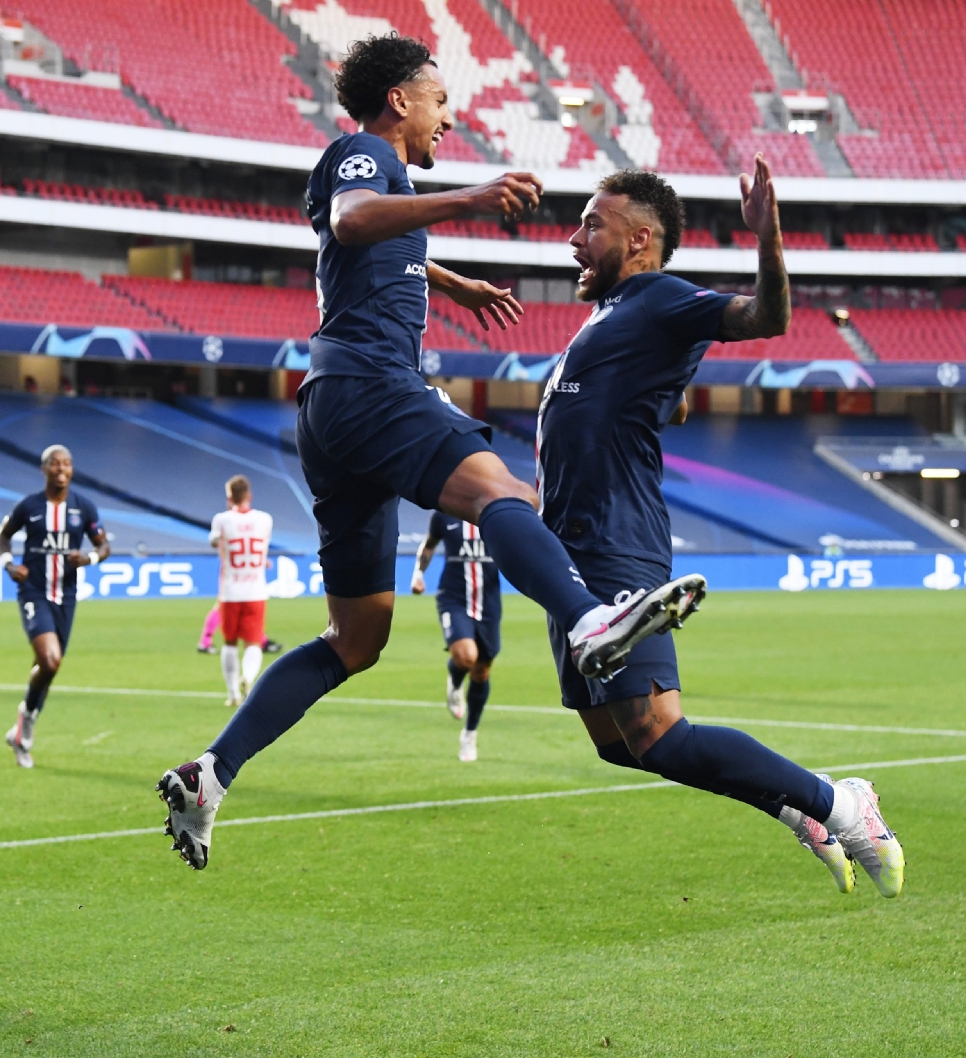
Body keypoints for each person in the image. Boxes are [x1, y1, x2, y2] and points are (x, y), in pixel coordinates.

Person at [156, 34, 704, 870]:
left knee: (355, 638)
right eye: (441, 100)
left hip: (333, 411)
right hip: (373, 383)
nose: (450, 117)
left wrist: (453, 283)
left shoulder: (386, 181)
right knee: (505, 497)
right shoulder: (365, 154)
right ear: (401, 101)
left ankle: (213, 772)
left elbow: (366, 246)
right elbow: (351, 221)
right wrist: (474, 196)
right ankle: (591, 621)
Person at [537, 162, 905, 897]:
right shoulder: (612, 318)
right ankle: (798, 808)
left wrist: (768, 240)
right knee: (617, 745)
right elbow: (656, 396)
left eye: (591, 226)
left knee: (657, 732)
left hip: (615, 539)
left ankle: (841, 802)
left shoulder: (656, 297)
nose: (575, 241)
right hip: (569, 554)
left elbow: (764, 319)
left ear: (640, 240)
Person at [0, 444, 110, 768]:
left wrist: (88, 557)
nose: (61, 469)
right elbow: (3, 535)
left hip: (67, 596)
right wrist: (8, 564)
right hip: (34, 591)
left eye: (67, 464)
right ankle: (26, 724)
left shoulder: (83, 507)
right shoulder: (29, 506)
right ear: (44, 469)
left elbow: (104, 545)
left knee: (46, 670)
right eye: (54, 464)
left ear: (72, 470)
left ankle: (20, 732)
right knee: (50, 660)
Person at [412, 511, 499, 762]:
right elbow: (429, 545)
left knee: (482, 671)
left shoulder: (497, 513)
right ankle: (455, 678)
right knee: (466, 657)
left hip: (489, 603)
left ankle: (469, 734)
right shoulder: (444, 514)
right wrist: (418, 574)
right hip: (453, 599)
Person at [207, 475, 274, 707]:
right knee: (254, 643)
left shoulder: (222, 520)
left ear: (229, 497)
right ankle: (249, 677)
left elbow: (215, 541)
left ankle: (233, 693)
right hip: (256, 590)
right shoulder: (265, 519)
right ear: (249, 495)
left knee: (229, 643)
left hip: (230, 591)